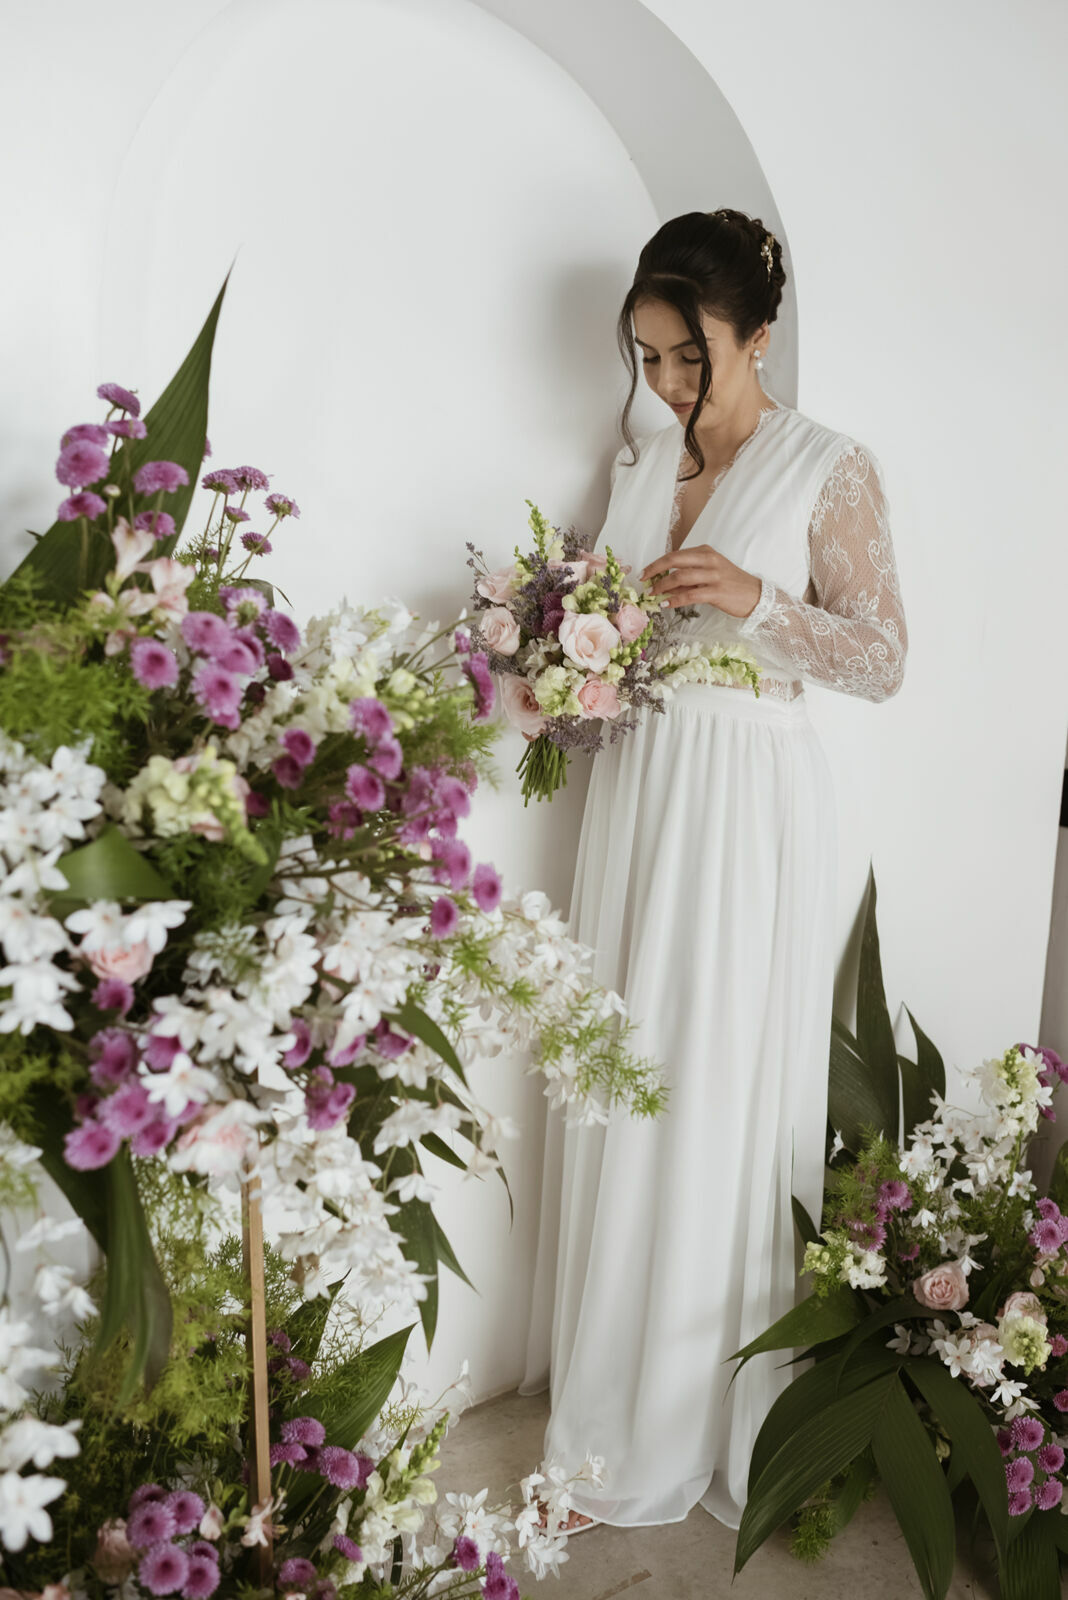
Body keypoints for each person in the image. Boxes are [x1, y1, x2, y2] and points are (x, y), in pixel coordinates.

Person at [517, 208, 908, 1534]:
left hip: (747, 799)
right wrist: (564, 663)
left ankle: (698, 1418)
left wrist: (756, 601)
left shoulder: (827, 466)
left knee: (717, 1079)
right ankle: (611, 1405)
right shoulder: (637, 464)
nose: (673, 387)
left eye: (693, 357)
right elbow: (589, 628)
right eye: (651, 360)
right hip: (640, 791)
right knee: (621, 1071)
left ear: (755, 334)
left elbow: (884, 659)